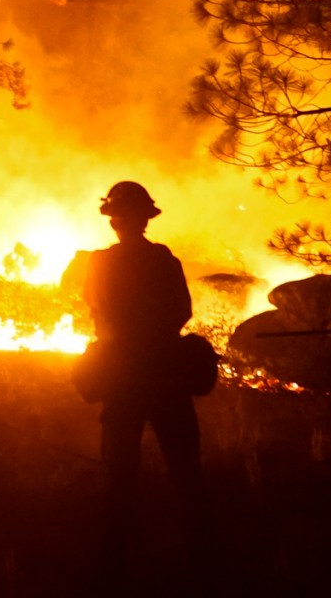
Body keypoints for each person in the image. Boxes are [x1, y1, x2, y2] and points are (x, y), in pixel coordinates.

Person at [78, 181, 203, 536]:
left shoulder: (100, 263)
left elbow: (96, 306)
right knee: (185, 470)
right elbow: (182, 311)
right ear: (147, 220)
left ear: (113, 221)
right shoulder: (165, 261)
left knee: (119, 474)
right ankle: (203, 553)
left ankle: (113, 558)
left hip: (121, 376)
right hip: (167, 374)